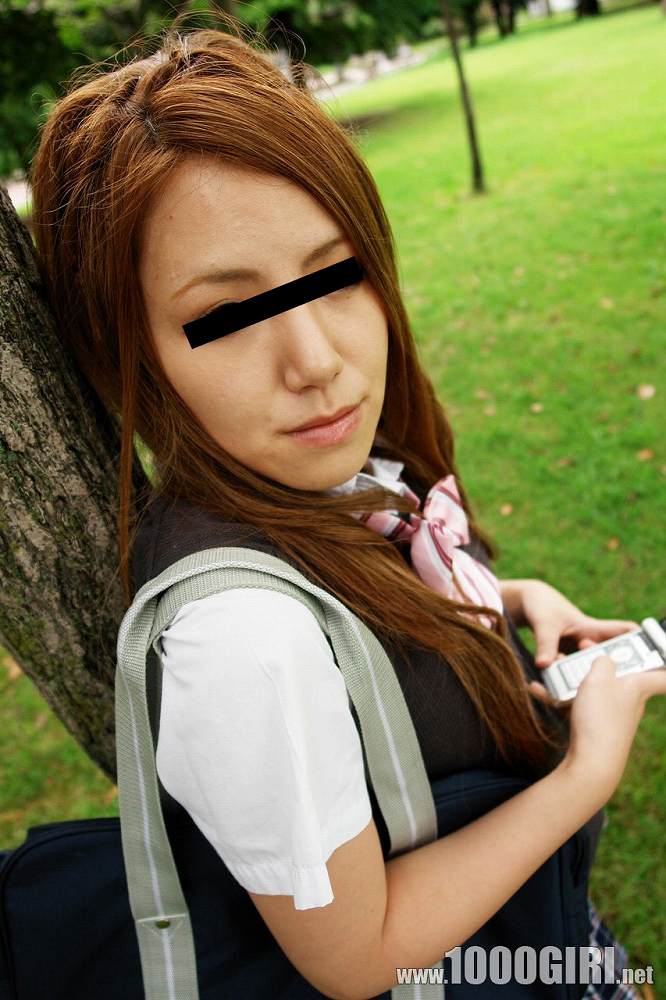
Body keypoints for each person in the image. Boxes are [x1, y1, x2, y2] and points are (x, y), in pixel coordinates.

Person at [28, 14, 663, 999]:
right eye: (224, 316)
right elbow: (358, 956)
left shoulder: (310, 479)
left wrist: (504, 600)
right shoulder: (244, 642)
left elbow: (361, 624)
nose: (315, 361)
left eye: (334, 274)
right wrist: (585, 773)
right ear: (132, 349)